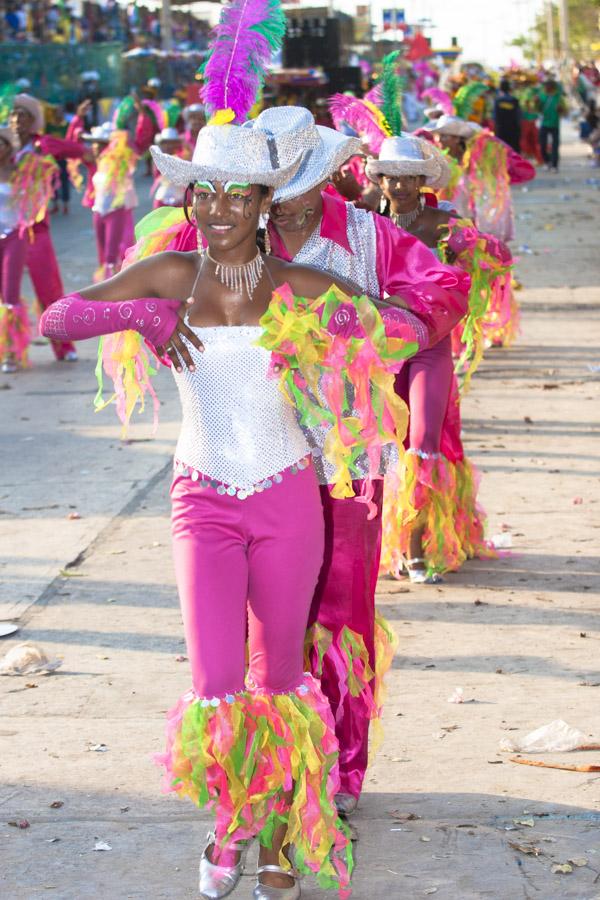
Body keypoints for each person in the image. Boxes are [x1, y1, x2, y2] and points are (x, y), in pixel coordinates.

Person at [39, 111, 432, 900]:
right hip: (202, 500)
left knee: (279, 678)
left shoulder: (299, 285)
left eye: (235, 197)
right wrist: (137, 313)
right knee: (216, 682)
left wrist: (332, 347)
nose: (215, 211)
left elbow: (407, 328)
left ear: (262, 203)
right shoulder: (172, 274)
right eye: (203, 195)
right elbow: (59, 316)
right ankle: (230, 824)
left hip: (287, 499)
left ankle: (282, 834)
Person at [174, 106, 469, 813]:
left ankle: (337, 767)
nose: (288, 197)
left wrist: (371, 329)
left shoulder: (370, 235)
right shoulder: (223, 229)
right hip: (245, 458)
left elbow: (440, 291)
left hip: (343, 461)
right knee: (257, 625)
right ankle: (262, 771)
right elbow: (156, 284)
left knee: (338, 613)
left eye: (300, 181)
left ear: (330, 173)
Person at [366, 134, 497, 580]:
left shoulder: (445, 225)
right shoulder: (364, 224)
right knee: (383, 449)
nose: (400, 186)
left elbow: (477, 272)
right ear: (380, 180)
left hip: (431, 349)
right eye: (392, 178)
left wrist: (466, 269)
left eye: (409, 178)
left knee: (422, 442)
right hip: (380, 353)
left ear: (422, 179)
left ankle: (418, 547)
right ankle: (391, 543)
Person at [9, 93, 86, 362]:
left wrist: (77, 124)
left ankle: (63, 347)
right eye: (14, 114)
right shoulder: (3, 146)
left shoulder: (42, 145)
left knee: (49, 289)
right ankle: (10, 351)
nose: (18, 120)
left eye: (24, 115)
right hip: (6, 232)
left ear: (33, 121)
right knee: (6, 296)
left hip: (36, 229)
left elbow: (77, 150)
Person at [538, 78, 565, 171]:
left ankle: (554, 165)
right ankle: (546, 161)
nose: (545, 88)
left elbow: (564, 111)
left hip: (555, 124)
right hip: (544, 123)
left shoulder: (558, 97)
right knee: (542, 144)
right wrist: (536, 102)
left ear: (551, 87)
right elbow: (537, 109)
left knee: (555, 145)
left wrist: (560, 109)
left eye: (547, 86)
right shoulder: (542, 96)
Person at [493, 78, 521, 152]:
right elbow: (518, 117)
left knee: (502, 151)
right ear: (509, 89)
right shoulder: (515, 101)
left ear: (501, 89)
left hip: (501, 129)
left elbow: (495, 117)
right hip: (513, 129)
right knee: (512, 151)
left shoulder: (498, 101)